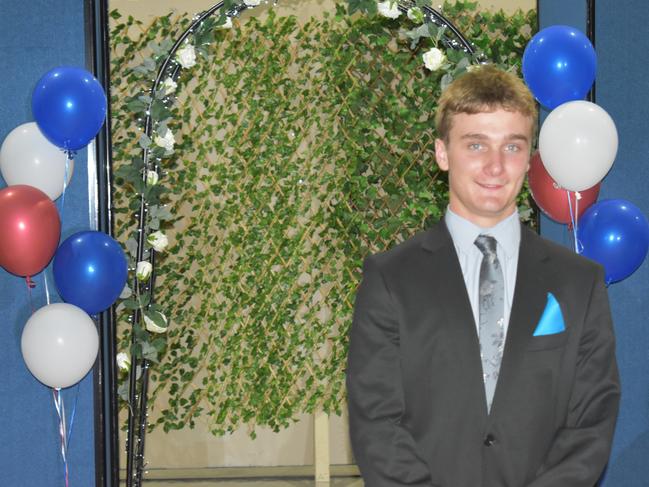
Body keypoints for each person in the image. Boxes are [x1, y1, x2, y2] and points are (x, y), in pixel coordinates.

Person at [346, 65, 620, 487]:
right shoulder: (390, 280)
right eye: (476, 145)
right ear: (442, 153)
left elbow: (591, 421)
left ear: (529, 159)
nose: (495, 166)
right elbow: (376, 422)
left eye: (512, 147)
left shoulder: (578, 284)